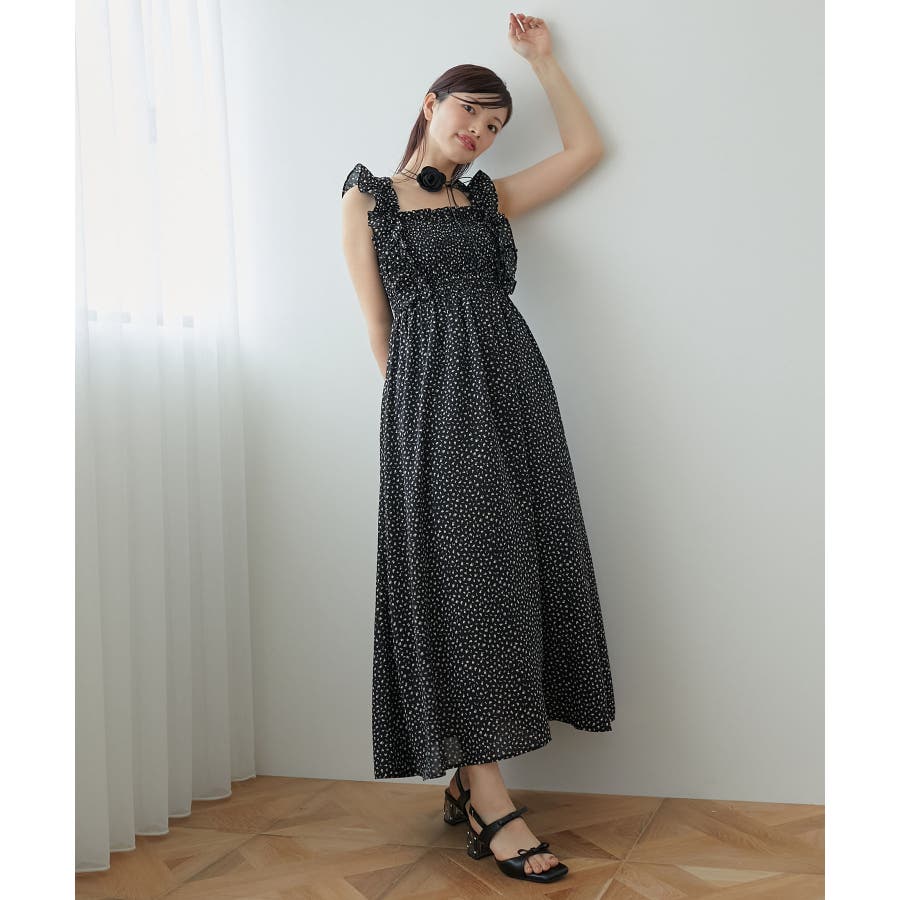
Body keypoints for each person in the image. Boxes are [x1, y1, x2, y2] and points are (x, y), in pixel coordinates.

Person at [340, 12, 615, 885]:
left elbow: (585, 151)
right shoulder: (370, 199)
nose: (480, 132)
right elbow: (378, 328)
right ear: (432, 104)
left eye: (495, 126)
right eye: (470, 112)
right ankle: (492, 797)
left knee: (514, 572)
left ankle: (470, 776)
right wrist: (416, 422)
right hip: (432, 407)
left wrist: (543, 62)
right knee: (457, 580)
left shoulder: (485, 200)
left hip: (516, 396)